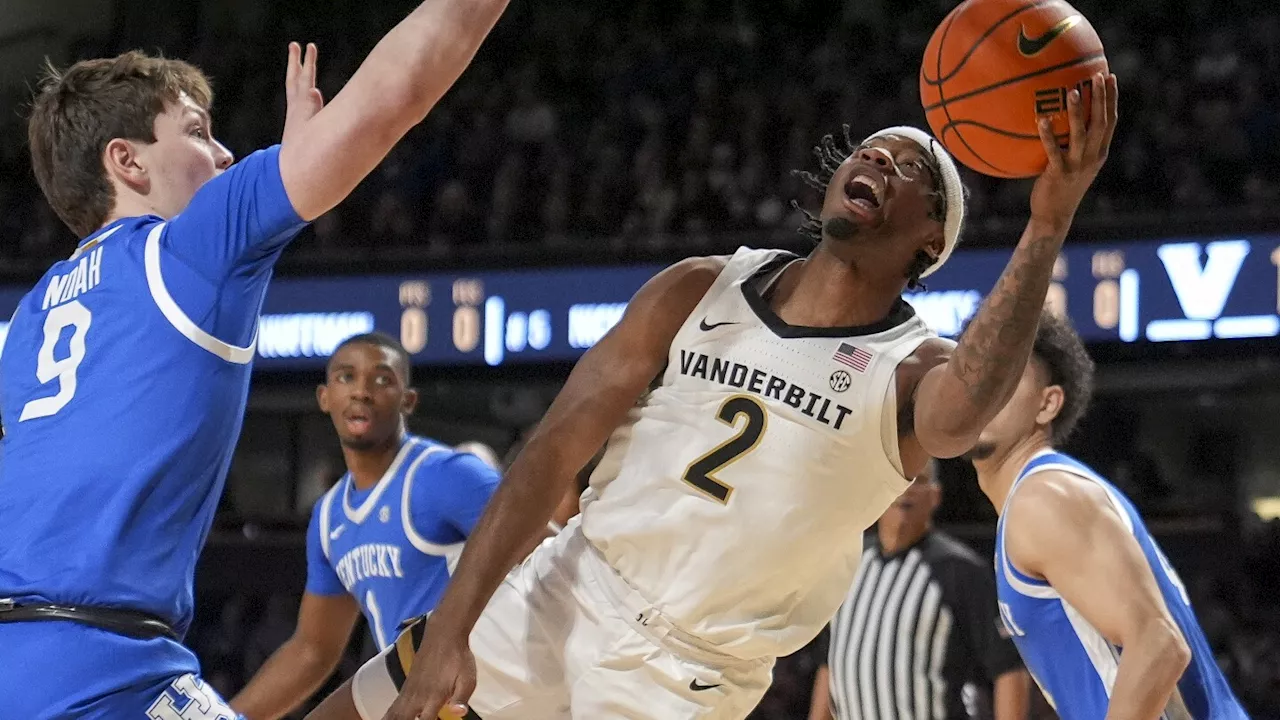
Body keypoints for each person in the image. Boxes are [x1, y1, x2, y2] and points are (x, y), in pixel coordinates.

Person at [307, 74, 1120, 720]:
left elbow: (964, 415)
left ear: (931, 240)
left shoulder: (912, 369)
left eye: (908, 167)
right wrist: (450, 627)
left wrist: (1046, 226)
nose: (876, 162)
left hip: (687, 675)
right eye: (870, 151)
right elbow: (553, 449)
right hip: (567, 585)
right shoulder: (700, 286)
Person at [0, 0, 513, 714]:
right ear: (127, 162)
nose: (225, 155)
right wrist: (308, 159)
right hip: (101, 665)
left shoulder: (26, 319)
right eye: (198, 134)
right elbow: (395, 98)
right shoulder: (188, 246)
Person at [964, 310, 1248, 720]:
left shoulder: (1043, 497)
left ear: (1047, 405)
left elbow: (1159, 643)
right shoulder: (1042, 497)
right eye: (975, 372)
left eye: (1007, 374)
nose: (984, 387)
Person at [230, 333, 502, 720]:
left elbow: (548, 553)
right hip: (417, 692)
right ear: (324, 398)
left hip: (484, 681)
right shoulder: (328, 518)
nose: (361, 392)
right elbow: (312, 651)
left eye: (381, 379)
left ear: (408, 400)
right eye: (346, 377)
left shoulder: (446, 476)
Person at [807, 460, 1030, 720]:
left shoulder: (959, 570)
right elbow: (830, 664)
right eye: (899, 479)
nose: (906, 489)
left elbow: (1008, 667)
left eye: (918, 480)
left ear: (935, 496)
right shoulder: (848, 565)